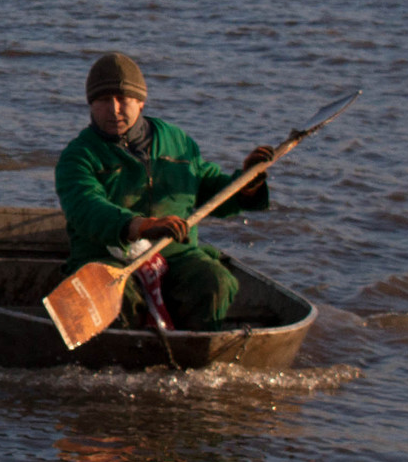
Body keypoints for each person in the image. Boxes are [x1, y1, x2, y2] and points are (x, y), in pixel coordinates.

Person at [54, 53, 274, 331]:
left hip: (176, 255)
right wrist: (142, 226)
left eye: (123, 99)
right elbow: (86, 207)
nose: (114, 109)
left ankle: (196, 351)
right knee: (112, 300)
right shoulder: (78, 156)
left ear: (140, 101)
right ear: (90, 105)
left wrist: (248, 182)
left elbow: (212, 192)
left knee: (215, 281)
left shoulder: (177, 142)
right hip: (106, 257)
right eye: (103, 101)